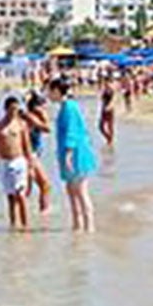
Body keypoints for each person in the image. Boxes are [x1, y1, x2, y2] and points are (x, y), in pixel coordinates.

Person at [51, 77, 98, 231]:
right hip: (67, 154)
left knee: (81, 190)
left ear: (57, 91)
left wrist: (69, 154)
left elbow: (72, 131)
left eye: (50, 91)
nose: (48, 95)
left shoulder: (70, 107)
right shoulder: (64, 107)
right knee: (71, 190)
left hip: (76, 154)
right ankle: (77, 224)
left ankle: (89, 226)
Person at [0, 96, 36, 231]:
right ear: (5, 109)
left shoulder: (21, 125)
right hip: (4, 162)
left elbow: (27, 145)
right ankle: (13, 225)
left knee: (20, 195)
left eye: (16, 109)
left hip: (19, 161)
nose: (13, 112)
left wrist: (31, 163)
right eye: (11, 109)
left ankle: (25, 225)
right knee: (10, 197)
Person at [23, 91, 55, 217]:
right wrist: (41, 115)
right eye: (43, 107)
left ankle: (23, 215)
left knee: (27, 189)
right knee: (45, 185)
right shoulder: (30, 118)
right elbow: (47, 129)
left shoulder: (30, 116)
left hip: (31, 155)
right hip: (29, 156)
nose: (45, 110)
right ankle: (44, 214)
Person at [99, 83, 117, 148]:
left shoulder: (112, 90)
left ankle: (110, 141)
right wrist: (102, 90)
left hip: (110, 109)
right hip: (103, 108)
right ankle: (108, 138)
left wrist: (110, 106)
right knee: (100, 126)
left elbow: (114, 99)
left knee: (110, 126)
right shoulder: (104, 89)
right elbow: (101, 98)